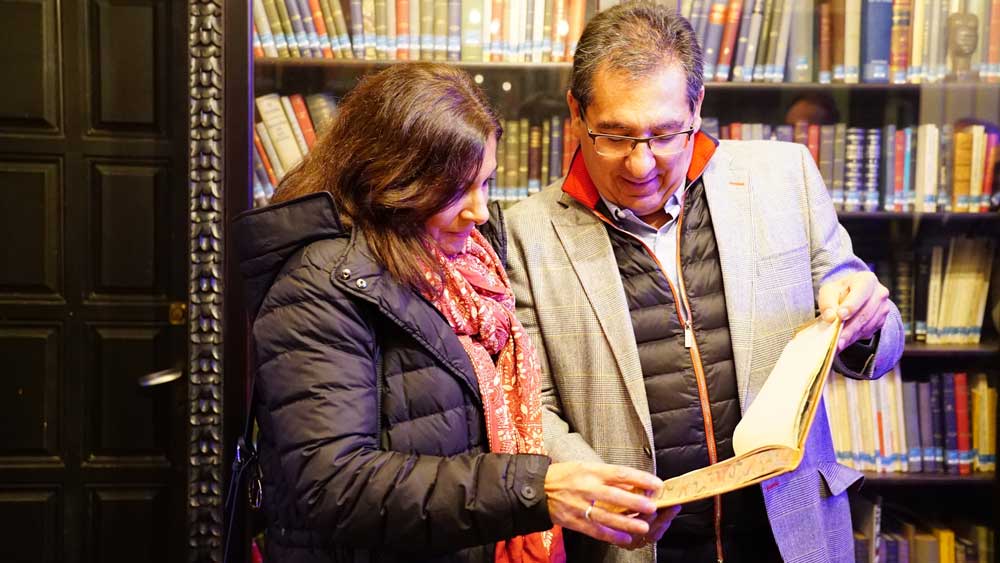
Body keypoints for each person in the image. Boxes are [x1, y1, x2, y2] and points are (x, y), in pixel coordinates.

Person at [504, 4, 905, 563]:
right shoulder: (526, 233)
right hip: (637, 545)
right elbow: (530, 403)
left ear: (697, 106)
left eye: (666, 134)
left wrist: (867, 322)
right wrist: (598, 486)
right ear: (576, 113)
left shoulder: (782, 178)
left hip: (789, 532)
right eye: (614, 136)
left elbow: (882, 346)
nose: (641, 165)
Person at [233, 62, 672, 563]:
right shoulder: (319, 284)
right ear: (393, 181)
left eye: (484, 183)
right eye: (454, 190)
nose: (480, 212)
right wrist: (534, 490)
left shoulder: (462, 266)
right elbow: (333, 485)